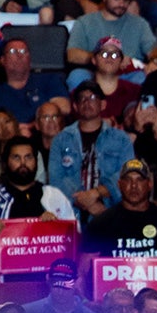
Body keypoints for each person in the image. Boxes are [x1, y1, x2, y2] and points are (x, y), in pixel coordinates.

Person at [81, 158, 157, 313]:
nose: (134, 186)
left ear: (149, 184)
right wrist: (86, 301)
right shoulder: (101, 223)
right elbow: (81, 271)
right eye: (128, 180)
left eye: (139, 180)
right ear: (119, 184)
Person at [0, 136, 77, 282]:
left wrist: (55, 228)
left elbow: (75, 242)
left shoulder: (54, 197)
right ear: (5, 163)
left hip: (47, 284)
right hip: (1, 285)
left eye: (28, 157)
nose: (23, 163)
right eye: (16, 158)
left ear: (36, 161)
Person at [49, 80, 135, 223]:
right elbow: (56, 180)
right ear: (75, 106)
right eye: (82, 98)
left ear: (103, 104)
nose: (87, 102)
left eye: (93, 98)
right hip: (71, 215)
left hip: (111, 212)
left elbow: (125, 174)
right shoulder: (61, 140)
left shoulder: (121, 139)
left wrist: (96, 193)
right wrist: (88, 203)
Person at [65, 0, 157, 88]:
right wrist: (104, 59)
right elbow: (72, 54)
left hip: (128, 75)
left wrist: (154, 61)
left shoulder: (139, 23)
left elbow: (154, 50)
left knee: (145, 77)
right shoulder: (84, 22)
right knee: (76, 76)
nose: (121, 4)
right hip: (95, 74)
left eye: (125, 0)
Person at [0, 37, 70, 127]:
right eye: (13, 52)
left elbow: (64, 108)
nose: (19, 55)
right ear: (3, 60)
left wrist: (31, 126)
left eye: (23, 51)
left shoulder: (48, 79)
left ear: (30, 58)